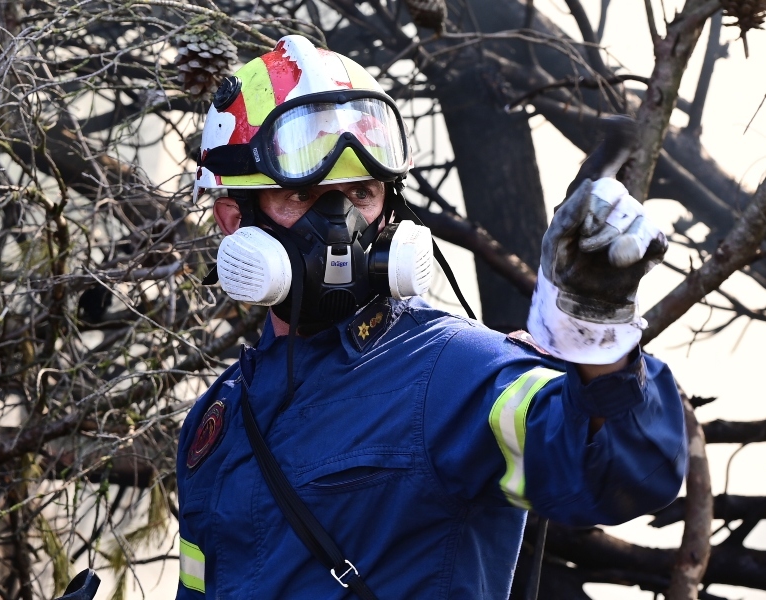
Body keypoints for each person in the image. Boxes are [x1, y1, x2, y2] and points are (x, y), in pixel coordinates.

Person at [176, 35, 686, 599]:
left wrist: (597, 328)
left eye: (361, 193)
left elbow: (625, 473)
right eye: (305, 195)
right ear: (232, 217)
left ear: (390, 207)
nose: (341, 224)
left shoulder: (456, 372)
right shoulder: (216, 419)